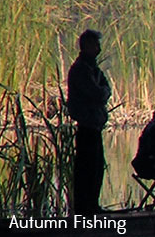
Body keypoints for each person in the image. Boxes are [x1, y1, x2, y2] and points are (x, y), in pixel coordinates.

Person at [66, 29, 110, 215]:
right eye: (96, 45)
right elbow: (98, 93)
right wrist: (103, 92)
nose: (99, 49)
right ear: (87, 46)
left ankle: (92, 205)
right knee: (87, 168)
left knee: (97, 167)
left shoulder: (93, 68)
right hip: (86, 126)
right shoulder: (81, 69)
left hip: (95, 126)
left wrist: (103, 92)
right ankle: (84, 208)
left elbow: (106, 89)